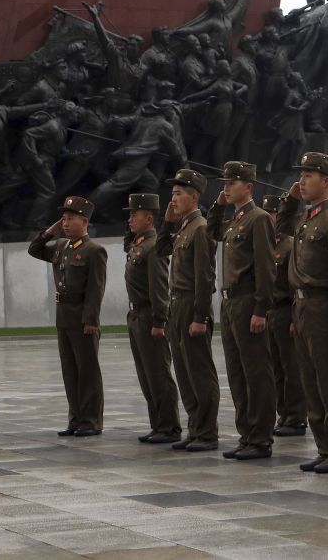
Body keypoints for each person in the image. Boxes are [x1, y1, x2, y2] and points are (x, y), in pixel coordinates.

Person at [279, 152, 328, 473]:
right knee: (310, 380)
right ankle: (325, 446)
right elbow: (280, 227)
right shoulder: (306, 218)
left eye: (309, 175)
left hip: (324, 306)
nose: (302, 179)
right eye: (302, 174)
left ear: (327, 181)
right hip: (302, 307)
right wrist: (290, 200)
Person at [207, 161, 277, 460]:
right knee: (237, 372)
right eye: (224, 182)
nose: (226, 186)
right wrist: (217, 205)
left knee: (255, 371)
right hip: (229, 302)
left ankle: (260, 437)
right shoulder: (234, 220)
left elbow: (265, 267)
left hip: (248, 300)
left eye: (231, 182)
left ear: (248, 186)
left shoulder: (258, 219)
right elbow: (213, 232)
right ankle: (246, 434)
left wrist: (261, 309)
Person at [28, 196, 107, 438]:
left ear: (84, 221)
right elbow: (35, 250)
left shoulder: (94, 250)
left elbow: (96, 288)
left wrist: (91, 320)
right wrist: (49, 231)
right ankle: (76, 418)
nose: (65, 223)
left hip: (82, 318)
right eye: (63, 219)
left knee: (87, 372)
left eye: (70, 219)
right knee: (70, 371)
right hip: (63, 317)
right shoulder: (61, 246)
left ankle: (91, 421)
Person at [156, 169, 221, 452]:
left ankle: (207, 432)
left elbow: (205, 278)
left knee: (199, 371)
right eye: (172, 193)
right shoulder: (183, 227)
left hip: (191, 304)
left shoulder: (201, 228)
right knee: (183, 371)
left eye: (179, 193)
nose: (173, 199)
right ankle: (195, 429)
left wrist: (199, 316)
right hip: (177, 304)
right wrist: (167, 224)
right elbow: (161, 251)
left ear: (194, 197)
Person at [122, 193, 181, 445]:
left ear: (149, 218)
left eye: (134, 214)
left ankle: (169, 426)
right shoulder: (139, 243)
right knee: (146, 374)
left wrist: (159, 321)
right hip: (136, 314)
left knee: (157, 373)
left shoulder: (154, 246)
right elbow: (128, 242)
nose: (130, 218)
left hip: (149, 315)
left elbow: (159, 288)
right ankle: (158, 423)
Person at [262, 195, 308, 438]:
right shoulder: (267, 245)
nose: (270, 217)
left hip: (285, 309)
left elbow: (293, 283)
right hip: (270, 311)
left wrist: (293, 317)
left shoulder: (289, 245)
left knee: (292, 367)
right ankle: (285, 413)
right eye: (267, 212)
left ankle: (297, 416)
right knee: (276, 367)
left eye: (273, 213)